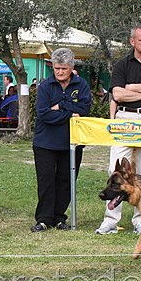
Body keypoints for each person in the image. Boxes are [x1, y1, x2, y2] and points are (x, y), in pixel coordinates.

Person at [95, 26, 141, 235]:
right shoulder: (122, 65)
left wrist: (132, 87)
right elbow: (117, 94)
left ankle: (140, 220)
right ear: (132, 41)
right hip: (125, 118)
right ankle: (110, 220)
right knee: (114, 169)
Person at [31, 48, 91, 232]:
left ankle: (59, 217)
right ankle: (43, 219)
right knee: (46, 180)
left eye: (64, 68)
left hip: (71, 142)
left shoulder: (81, 85)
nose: (59, 72)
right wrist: (70, 113)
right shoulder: (45, 86)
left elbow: (85, 109)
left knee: (66, 180)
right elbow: (44, 114)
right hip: (45, 142)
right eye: (56, 68)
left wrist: (61, 107)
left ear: (71, 67)